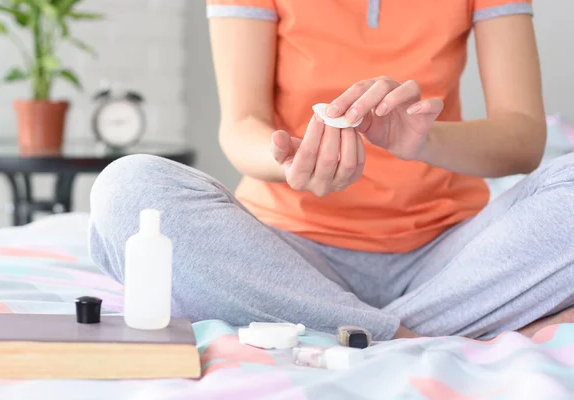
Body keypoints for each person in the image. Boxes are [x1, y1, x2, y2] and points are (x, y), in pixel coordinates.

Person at [89, 0, 574, 341]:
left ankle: (347, 328)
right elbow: (241, 128)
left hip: (449, 255)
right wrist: (293, 163)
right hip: (285, 256)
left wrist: (426, 140)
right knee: (130, 187)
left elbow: (523, 139)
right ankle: (423, 331)